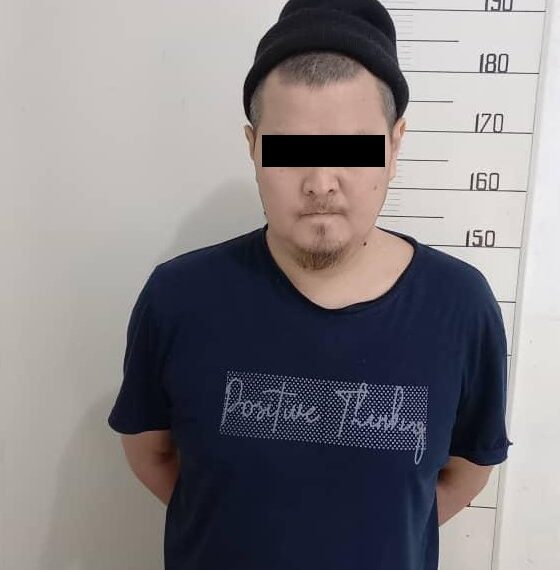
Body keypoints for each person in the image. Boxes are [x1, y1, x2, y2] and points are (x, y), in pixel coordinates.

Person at [107, 1, 513, 569]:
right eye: (292, 149)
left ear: (395, 144)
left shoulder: (460, 307)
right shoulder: (178, 298)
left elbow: (465, 473)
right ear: (253, 146)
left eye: (352, 148)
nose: (321, 182)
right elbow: (151, 455)